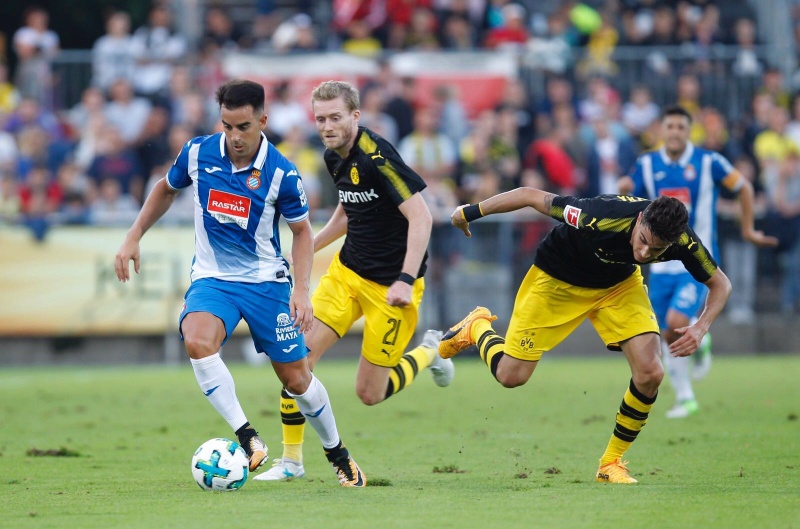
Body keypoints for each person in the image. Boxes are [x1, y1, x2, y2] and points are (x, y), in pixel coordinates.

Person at [114, 79, 365, 487]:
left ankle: (338, 453)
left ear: (263, 121)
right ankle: (249, 439)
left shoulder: (282, 173)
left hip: (267, 284)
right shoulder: (198, 152)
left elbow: (302, 233)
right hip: (214, 279)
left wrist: (301, 290)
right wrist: (133, 235)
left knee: (297, 380)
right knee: (196, 339)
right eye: (227, 126)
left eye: (243, 127)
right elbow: (166, 189)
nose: (234, 137)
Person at [439, 189, 733, 484]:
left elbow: (720, 284)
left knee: (651, 372)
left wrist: (701, 326)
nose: (644, 253)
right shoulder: (598, 215)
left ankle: (610, 463)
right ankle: (476, 327)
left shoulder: (682, 240)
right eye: (643, 241)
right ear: (640, 219)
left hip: (617, 286)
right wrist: (469, 212)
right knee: (511, 376)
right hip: (556, 279)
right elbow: (532, 197)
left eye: (656, 251)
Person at [255, 80, 454, 481]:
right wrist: (308, 245)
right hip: (346, 275)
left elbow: (422, 217)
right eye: (320, 118)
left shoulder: (377, 157)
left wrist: (404, 278)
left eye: (335, 117)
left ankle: (432, 351)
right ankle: (291, 461)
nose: (326, 126)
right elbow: (348, 212)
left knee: (370, 393)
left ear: (355, 117)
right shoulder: (332, 155)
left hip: (392, 290)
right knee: (296, 360)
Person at [618, 106, 778, 418]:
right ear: (662, 130)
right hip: (660, 263)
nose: (675, 132)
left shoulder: (708, 161)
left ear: (689, 131)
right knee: (666, 333)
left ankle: (697, 334)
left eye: (680, 126)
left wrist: (747, 229)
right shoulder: (647, 163)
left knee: (678, 323)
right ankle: (686, 396)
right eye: (670, 126)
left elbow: (743, 186)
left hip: (695, 261)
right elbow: (632, 202)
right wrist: (623, 189)